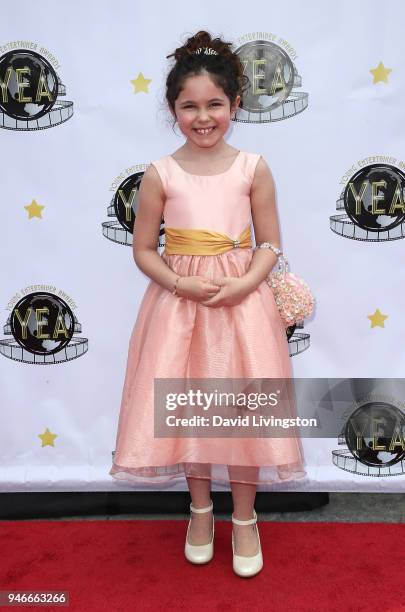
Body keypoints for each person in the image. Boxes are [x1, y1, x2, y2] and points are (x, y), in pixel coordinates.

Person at [110, 29, 306, 578]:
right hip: (181, 306)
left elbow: (269, 243)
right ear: (173, 109)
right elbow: (144, 249)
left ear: (235, 105)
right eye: (189, 106)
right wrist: (179, 283)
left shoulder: (253, 168)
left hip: (243, 305)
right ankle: (200, 512)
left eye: (214, 104)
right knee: (190, 405)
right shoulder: (160, 173)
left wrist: (246, 284)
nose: (203, 116)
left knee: (245, 411)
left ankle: (245, 518)